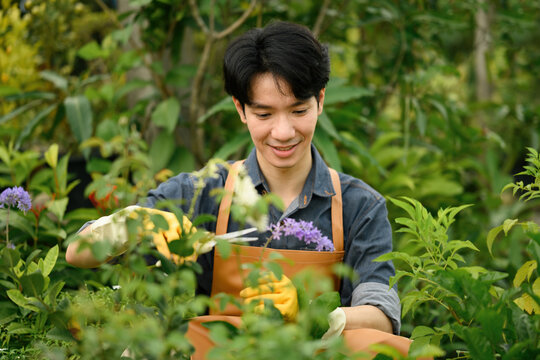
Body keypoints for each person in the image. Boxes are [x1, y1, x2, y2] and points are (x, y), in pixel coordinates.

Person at [67, 21, 406, 357]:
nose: (283, 132)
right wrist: (135, 221)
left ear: (320, 101)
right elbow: (77, 253)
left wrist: (317, 315)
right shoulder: (203, 192)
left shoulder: (359, 205)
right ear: (240, 109)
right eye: (264, 114)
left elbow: (383, 315)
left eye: (299, 110)